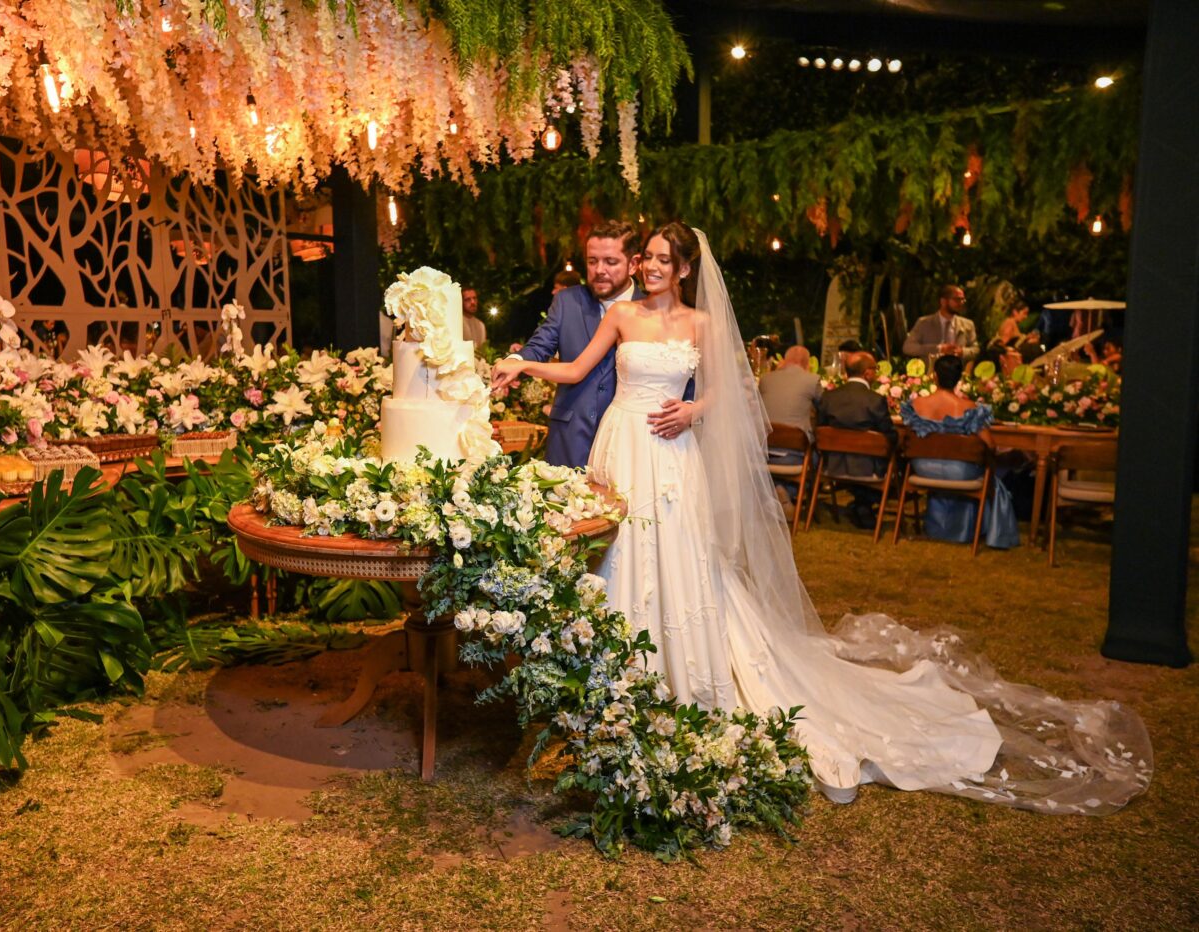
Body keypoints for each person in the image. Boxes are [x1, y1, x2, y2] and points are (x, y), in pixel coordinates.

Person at [491, 221, 1148, 813]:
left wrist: (693, 409)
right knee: (615, 556)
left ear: (685, 269)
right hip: (622, 441)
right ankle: (603, 685)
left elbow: (731, 386)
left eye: (664, 259)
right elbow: (576, 368)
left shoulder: (702, 325)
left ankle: (677, 679)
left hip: (671, 451)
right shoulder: (623, 316)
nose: (652, 267)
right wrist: (521, 364)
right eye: (650, 258)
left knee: (679, 561)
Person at [505, 219, 692, 467]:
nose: (599, 269)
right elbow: (540, 346)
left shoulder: (653, 309)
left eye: (611, 262)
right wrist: (516, 361)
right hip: (571, 440)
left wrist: (690, 408)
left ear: (634, 264)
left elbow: (681, 372)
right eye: (592, 261)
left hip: (634, 443)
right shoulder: (568, 301)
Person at [899, 355, 1020, 549]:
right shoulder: (969, 408)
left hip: (922, 468)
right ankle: (976, 529)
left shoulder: (916, 406)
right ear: (958, 379)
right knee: (992, 476)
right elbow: (990, 444)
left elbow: (906, 438)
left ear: (934, 376)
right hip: (960, 472)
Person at [815, 352, 896, 530]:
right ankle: (864, 503)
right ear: (867, 373)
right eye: (875, 369)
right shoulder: (875, 400)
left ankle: (860, 503)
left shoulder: (829, 397)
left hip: (833, 467)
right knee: (896, 456)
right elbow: (889, 436)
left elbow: (820, 431)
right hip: (868, 469)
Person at [758, 345, 821, 506]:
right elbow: (824, 409)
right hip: (794, 456)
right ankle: (788, 492)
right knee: (817, 454)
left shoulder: (766, 379)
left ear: (784, 361)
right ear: (808, 363)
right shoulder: (812, 380)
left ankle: (776, 490)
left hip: (762, 453)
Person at [903, 284, 979, 360]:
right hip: (932, 370)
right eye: (957, 299)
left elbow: (976, 350)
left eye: (963, 299)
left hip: (957, 370)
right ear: (943, 301)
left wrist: (962, 351)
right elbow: (908, 347)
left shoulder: (968, 324)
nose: (961, 303)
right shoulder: (924, 323)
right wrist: (939, 348)